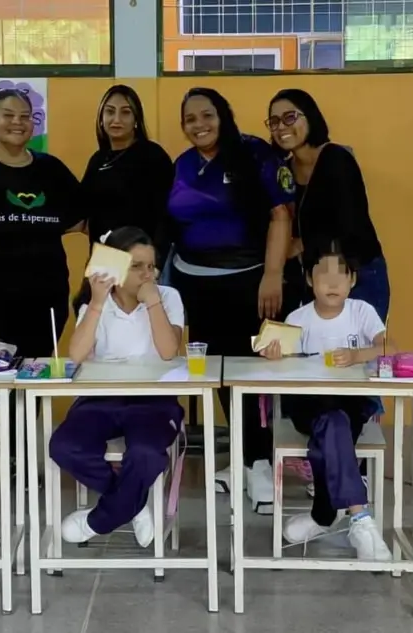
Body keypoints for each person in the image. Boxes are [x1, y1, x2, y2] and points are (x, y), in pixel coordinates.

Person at [163, 87, 296, 515]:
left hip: (249, 281)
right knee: (217, 371)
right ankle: (240, 458)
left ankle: (260, 464)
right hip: (195, 286)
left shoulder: (253, 153)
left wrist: (272, 274)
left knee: (252, 372)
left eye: (207, 115)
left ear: (223, 115)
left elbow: (281, 215)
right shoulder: (183, 164)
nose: (199, 125)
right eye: (190, 119)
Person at [0, 88, 83, 501]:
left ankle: (21, 461)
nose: (17, 123)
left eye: (26, 116)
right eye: (8, 115)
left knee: (30, 380)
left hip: (43, 296)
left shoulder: (51, 170)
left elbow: (82, 217)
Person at [49, 226, 185, 546]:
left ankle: (103, 518)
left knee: (146, 454)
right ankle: (132, 502)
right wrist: (97, 303)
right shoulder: (96, 304)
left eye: (151, 266)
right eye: (137, 266)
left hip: (154, 400)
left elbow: (168, 351)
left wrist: (153, 303)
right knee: (64, 447)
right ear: (116, 267)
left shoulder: (168, 297)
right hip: (101, 399)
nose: (147, 274)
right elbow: (75, 356)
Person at [256, 242, 392, 561]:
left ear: (352, 280)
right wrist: (274, 354)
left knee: (333, 426)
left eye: (340, 275)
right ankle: (359, 518)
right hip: (309, 403)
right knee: (330, 422)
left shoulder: (361, 311)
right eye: (323, 275)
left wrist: (358, 355)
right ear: (309, 279)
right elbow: (281, 360)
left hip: (352, 402)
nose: (332, 283)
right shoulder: (298, 317)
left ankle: (324, 514)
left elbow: (389, 347)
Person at [266, 89, 389, 321]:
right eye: (274, 122)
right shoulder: (284, 171)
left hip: (357, 272)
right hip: (315, 278)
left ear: (310, 117)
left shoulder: (336, 159)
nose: (281, 126)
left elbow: (349, 222)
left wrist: (299, 244)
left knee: (360, 341)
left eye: (290, 117)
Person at [80, 85, 174, 264]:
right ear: (101, 118)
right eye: (110, 112)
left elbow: (165, 217)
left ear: (136, 119)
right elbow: (82, 209)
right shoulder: (98, 160)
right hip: (104, 260)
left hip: (140, 261)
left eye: (125, 112)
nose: (117, 119)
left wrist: (155, 264)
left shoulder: (153, 156)